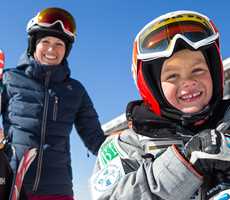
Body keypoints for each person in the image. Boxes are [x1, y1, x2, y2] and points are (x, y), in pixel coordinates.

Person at [90, 10, 230, 200]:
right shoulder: (125, 145)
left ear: (214, 72)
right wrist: (185, 165)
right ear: (152, 86)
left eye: (197, 70)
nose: (188, 82)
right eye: (172, 76)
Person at [1, 7, 106, 200]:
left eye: (59, 44)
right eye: (45, 42)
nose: (52, 49)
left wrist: (126, 144)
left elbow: (96, 139)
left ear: (66, 50)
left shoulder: (76, 90)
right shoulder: (8, 79)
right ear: (33, 45)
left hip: (57, 189)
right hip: (12, 184)